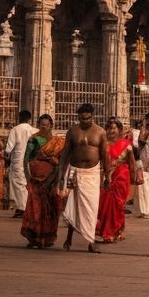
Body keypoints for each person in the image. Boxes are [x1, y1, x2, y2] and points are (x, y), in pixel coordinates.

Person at [59, 102, 109, 251]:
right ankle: (68, 239)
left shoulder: (100, 132)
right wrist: (61, 174)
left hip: (92, 173)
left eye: (87, 118)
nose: (85, 121)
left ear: (92, 117)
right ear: (78, 118)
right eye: (82, 119)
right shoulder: (72, 131)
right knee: (72, 207)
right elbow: (65, 154)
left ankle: (90, 241)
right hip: (75, 172)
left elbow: (105, 155)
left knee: (92, 207)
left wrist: (108, 176)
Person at [20, 114, 64, 249]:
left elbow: (62, 161)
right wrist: (27, 179)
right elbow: (26, 160)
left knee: (50, 209)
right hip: (36, 180)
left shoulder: (58, 141)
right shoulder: (33, 139)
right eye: (41, 124)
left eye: (46, 124)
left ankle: (47, 238)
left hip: (53, 178)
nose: (44, 127)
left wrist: (57, 169)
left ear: (51, 125)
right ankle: (35, 238)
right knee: (35, 209)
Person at [96, 118, 135, 243]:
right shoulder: (103, 144)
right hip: (106, 177)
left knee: (118, 205)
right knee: (105, 205)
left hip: (121, 178)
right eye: (109, 128)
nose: (111, 131)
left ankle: (113, 232)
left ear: (119, 130)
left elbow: (132, 163)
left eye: (114, 128)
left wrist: (134, 181)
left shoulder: (126, 145)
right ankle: (111, 231)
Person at [5, 109, 36, 218]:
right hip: (31, 161)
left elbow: (9, 148)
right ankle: (23, 207)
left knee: (19, 184)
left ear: (19, 118)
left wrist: (6, 159)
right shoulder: (34, 130)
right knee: (27, 184)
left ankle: (23, 208)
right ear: (29, 119)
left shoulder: (15, 130)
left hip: (18, 160)